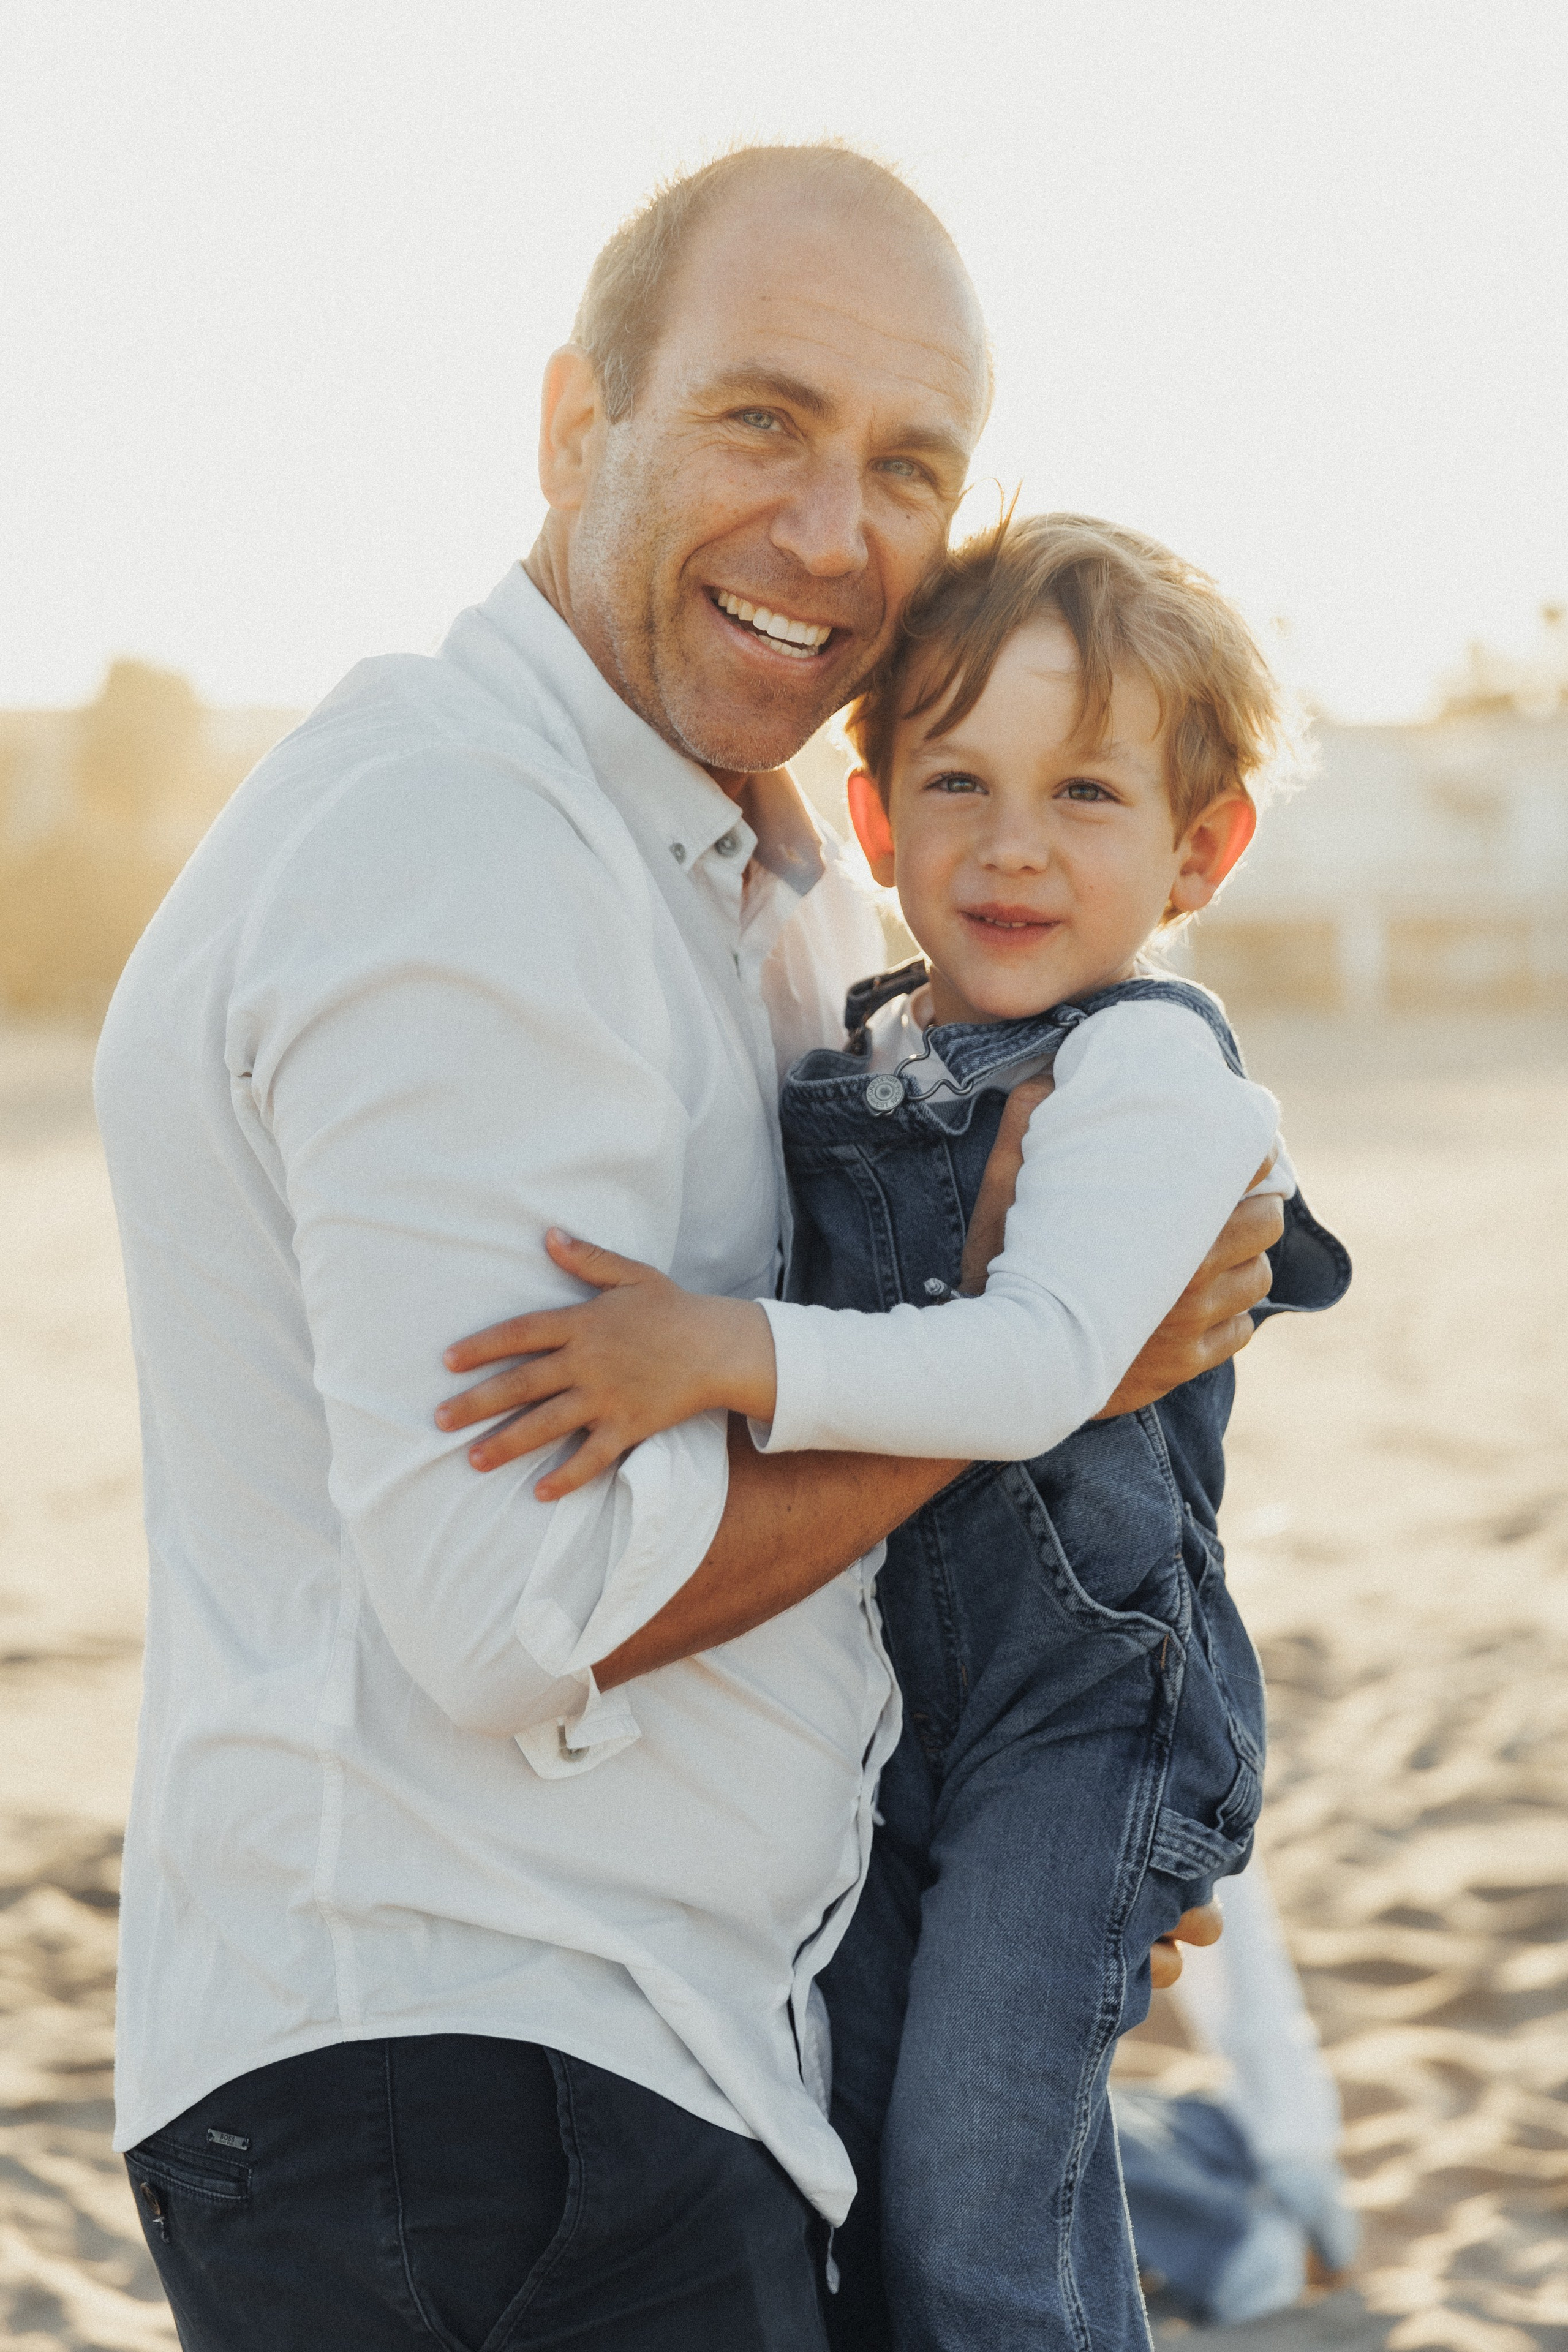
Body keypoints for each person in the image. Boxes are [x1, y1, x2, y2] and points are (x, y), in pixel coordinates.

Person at [95, 149, 1281, 2351]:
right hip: (466, 2092)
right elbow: (514, 1604)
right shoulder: (457, 843)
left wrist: (1051, 1835)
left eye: (905, 464)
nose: (833, 532)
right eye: (761, 419)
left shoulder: (785, 897)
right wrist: (1053, 1363)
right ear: (575, 428)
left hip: (674, 2062)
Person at [437, 513, 1349, 2350]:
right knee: (845, 2174)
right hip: (887, 1728)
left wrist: (716, 1353)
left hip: (1084, 1728)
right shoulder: (861, 1060)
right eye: (958, 781)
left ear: (1203, 847)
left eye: (1086, 791)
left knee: (978, 2221)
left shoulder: (1151, 1070)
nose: (1013, 845)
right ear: (872, 819)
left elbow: (1037, 1367)